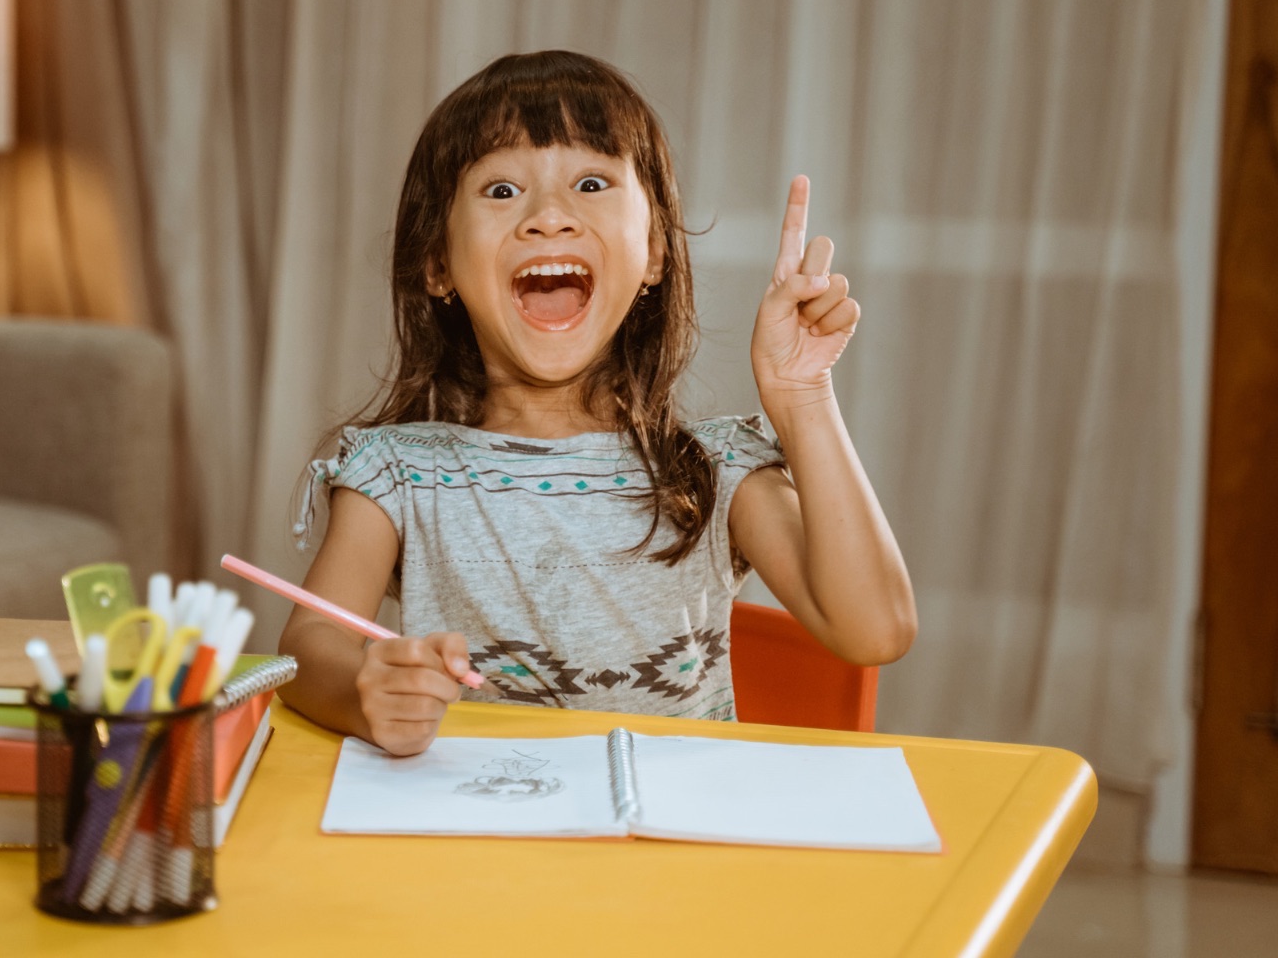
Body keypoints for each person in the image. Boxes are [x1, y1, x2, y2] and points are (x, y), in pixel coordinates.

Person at [277, 50, 915, 756]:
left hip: (669, 856)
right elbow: (309, 647)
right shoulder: (394, 474)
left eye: (590, 182)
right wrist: (366, 687)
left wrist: (803, 396)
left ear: (653, 253)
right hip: (479, 849)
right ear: (437, 263)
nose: (550, 218)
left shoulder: (718, 469)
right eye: (500, 191)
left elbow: (876, 629)